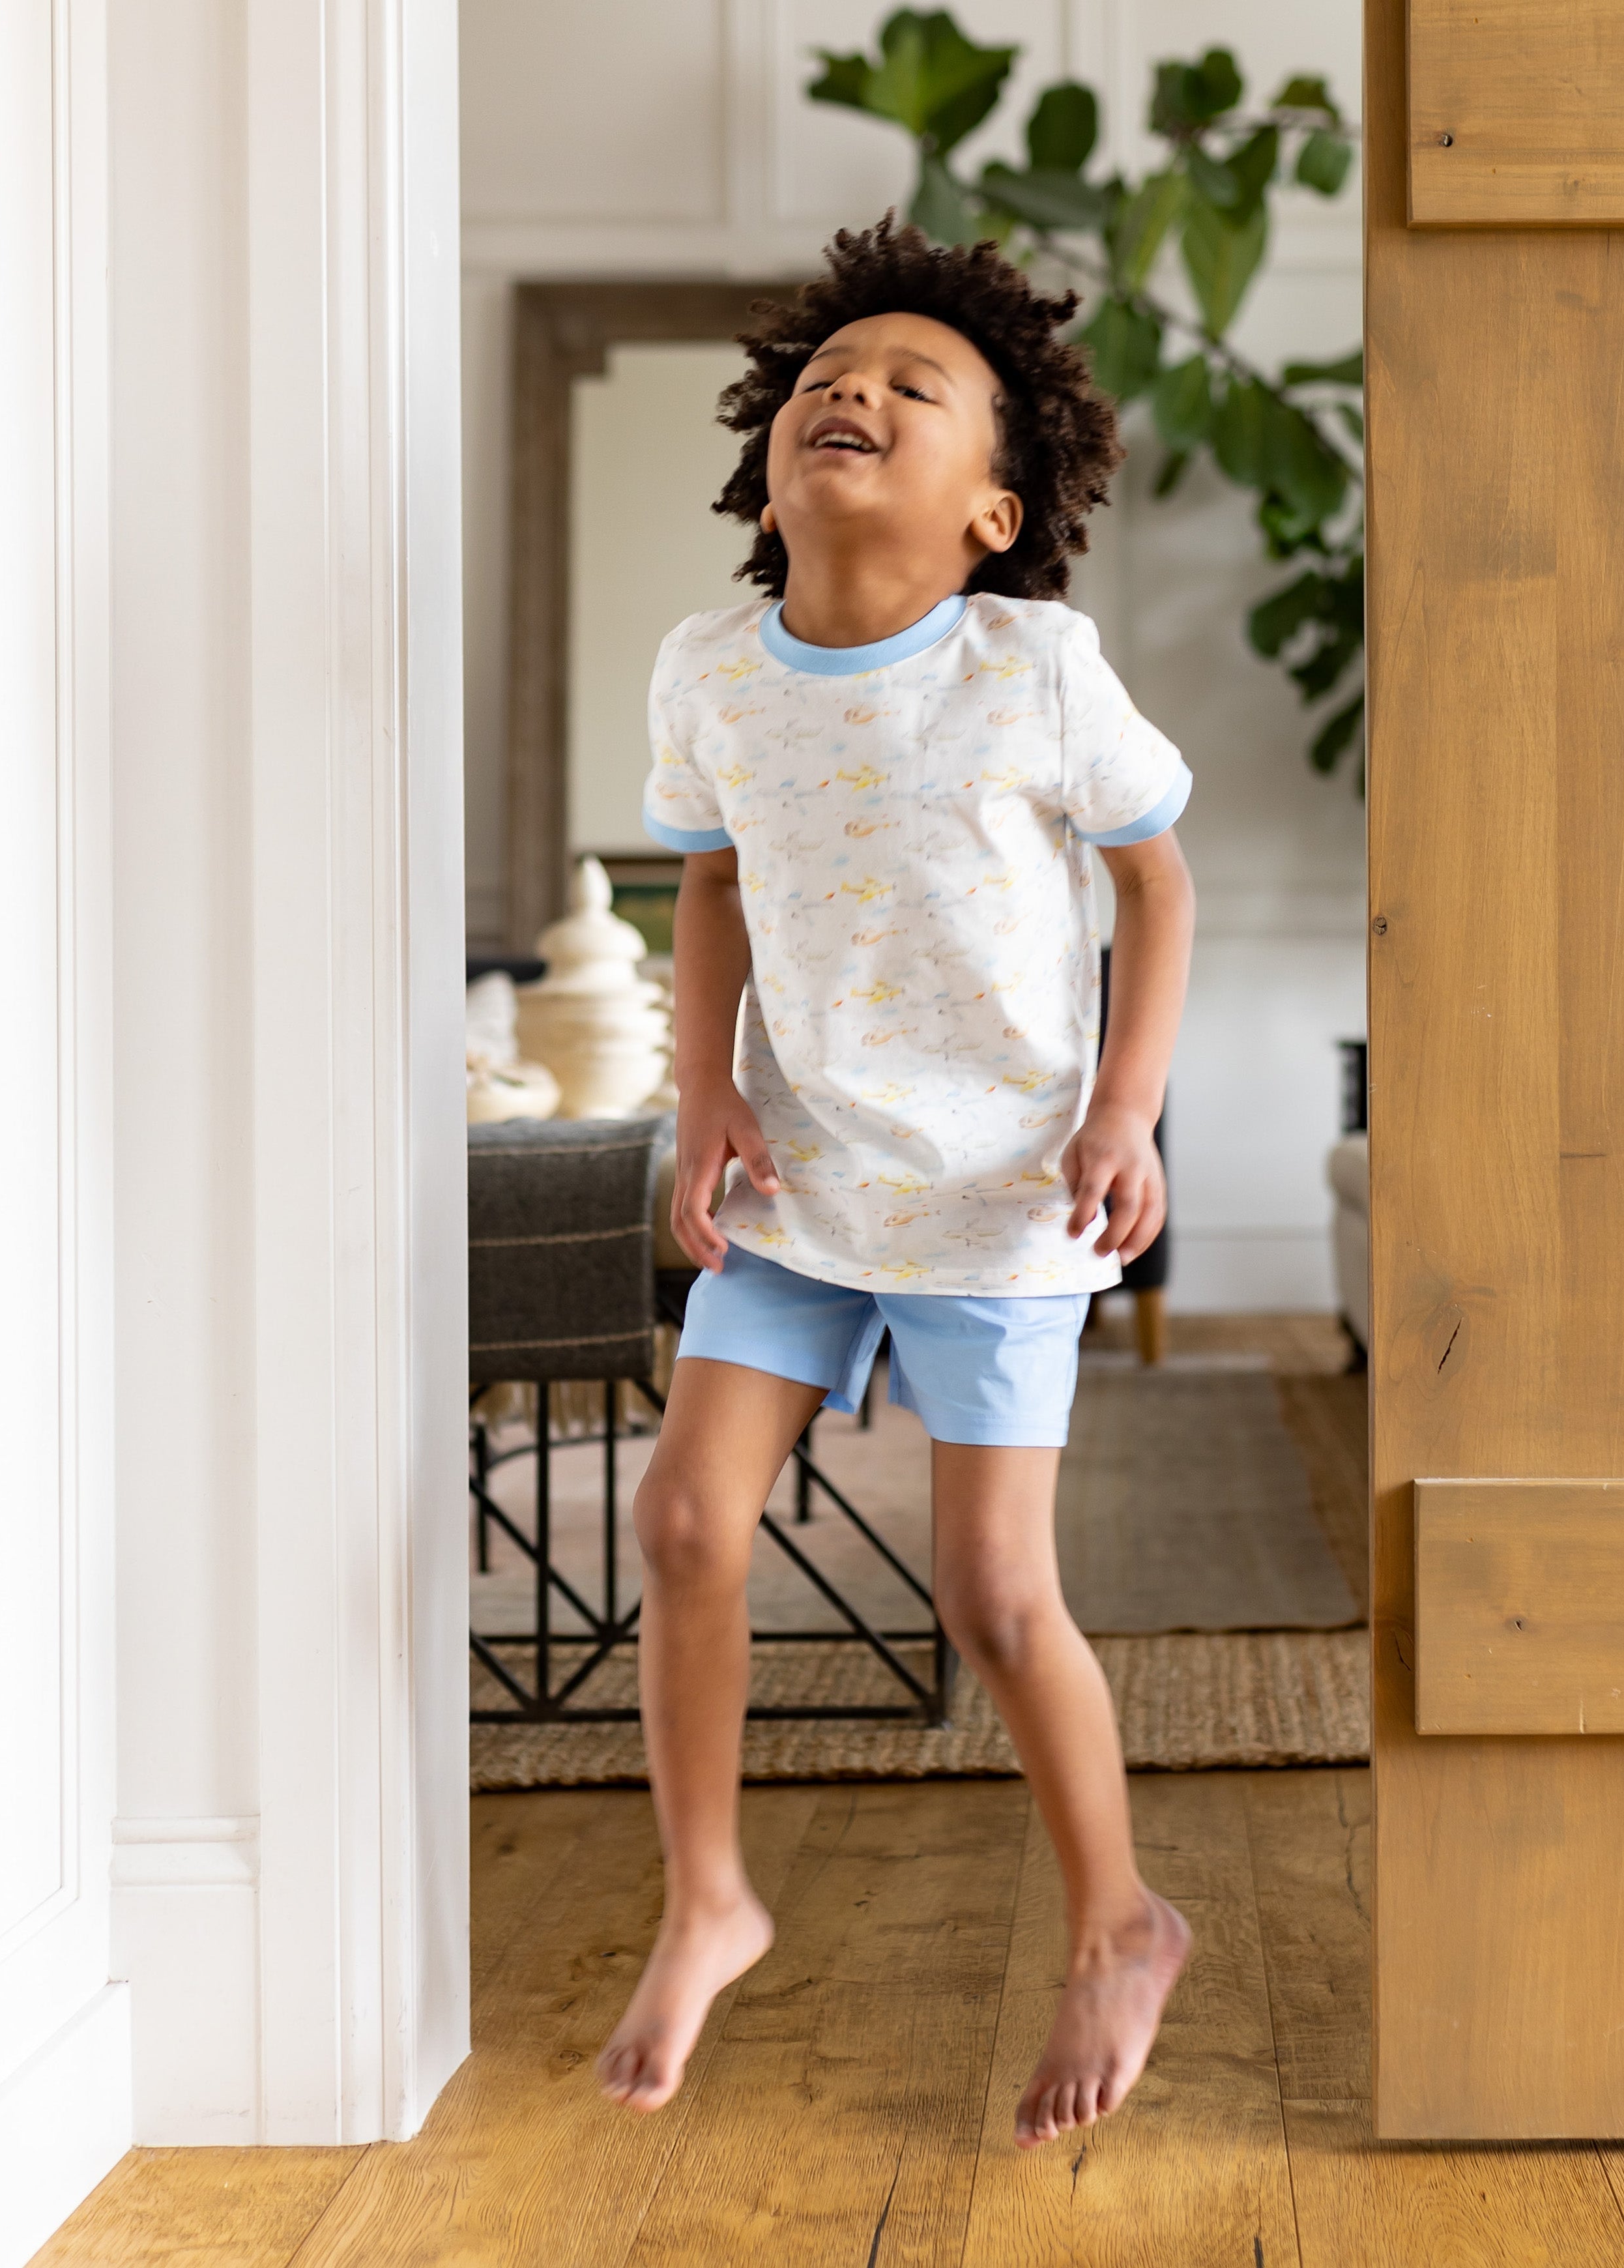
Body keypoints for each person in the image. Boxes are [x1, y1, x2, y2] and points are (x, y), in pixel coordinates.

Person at [596, 218, 1198, 2151]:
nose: (848, 393)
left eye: (909, 386)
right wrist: (703, 1101)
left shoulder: (1033, 668)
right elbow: (704, 887)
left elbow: (1157, 877)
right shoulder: (712, 669)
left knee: (993, 1590)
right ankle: (710, 1895)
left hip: (1005, 1191)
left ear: (995, 510)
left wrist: (1129, 1109)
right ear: (774, 462)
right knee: (687, 1522)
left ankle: (1119, 1918)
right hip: (797, 1174)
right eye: (822, 382)